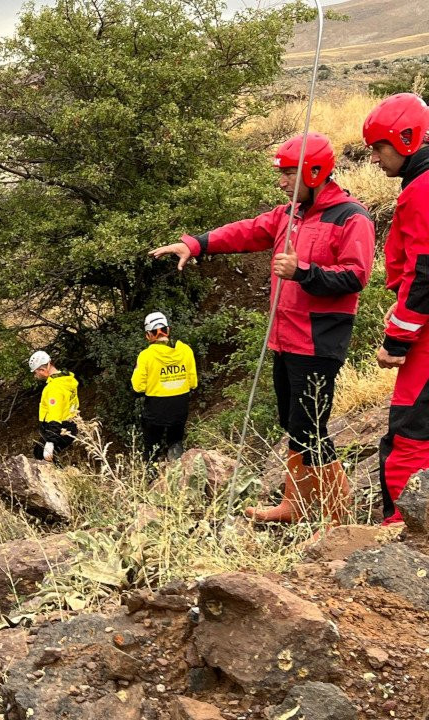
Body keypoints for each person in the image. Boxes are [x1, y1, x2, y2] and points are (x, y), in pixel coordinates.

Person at [150, 132, 375, 525]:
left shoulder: (351, 217)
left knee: (310, 428)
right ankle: (295, 505)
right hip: (285, 338)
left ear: (316, 172)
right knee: (294, 424)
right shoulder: (289, 214)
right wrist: (196, 244)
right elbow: (247, 230)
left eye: (290, 174)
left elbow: (356, 276)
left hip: (318, 341)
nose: (283, 182)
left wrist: (303, 271)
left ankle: (339, 516)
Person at [365, 93, 429, 525]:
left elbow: (424, 271)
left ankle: (399, 535)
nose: (374, 158)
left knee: (408, 437)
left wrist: (397, 339)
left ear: (406, 139)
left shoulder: (422, 190)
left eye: (379, 147)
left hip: (424, 340)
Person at [131, 312, 198, 462]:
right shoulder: (186, 351)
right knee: (175, 441)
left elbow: (138, 387)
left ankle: (150, 478)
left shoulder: (146, 356)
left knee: (151, 447)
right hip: (180, 408)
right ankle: (178, 471)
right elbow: (193, 383)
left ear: (148, 335)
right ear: (168, 330)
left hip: (156, 410)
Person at [28, 351, 79, 462]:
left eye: (36, 373)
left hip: (61, 428)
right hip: (70, 424)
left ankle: (63, 477)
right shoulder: (66, 379)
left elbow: (55, 414)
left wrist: (50, 442)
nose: (35, 376)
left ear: (43, 370)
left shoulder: (54, 388)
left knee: (42, 455)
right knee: (40, 452)